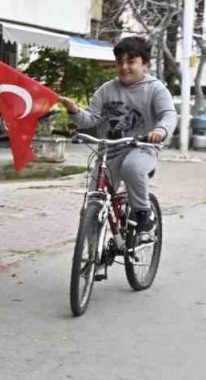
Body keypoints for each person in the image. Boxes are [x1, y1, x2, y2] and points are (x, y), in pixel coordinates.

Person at [59, 36, 176, 234]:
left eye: (131, 61)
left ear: (145, 64)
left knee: (132, 167)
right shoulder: (106, 90)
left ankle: (142, 215)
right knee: (92, 202)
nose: (124, 67)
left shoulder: (155, 89)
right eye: (119, 62)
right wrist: (74, 111)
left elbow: (169, 114)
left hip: (142, 147)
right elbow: (91, 120)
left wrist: (160, 130)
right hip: (110, 151)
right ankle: (91, 255)